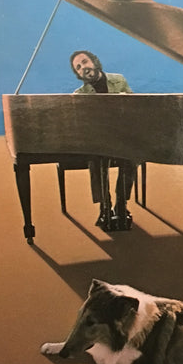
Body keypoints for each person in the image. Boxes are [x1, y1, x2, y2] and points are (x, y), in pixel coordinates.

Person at [69, 50, 135, 230]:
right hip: (97, 141)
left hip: (121, 137)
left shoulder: (118, 80)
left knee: (132, 155)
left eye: (85, 62)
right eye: (78, 67)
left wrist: (126, 101)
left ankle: (121, 205)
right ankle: (105, 207)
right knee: (96, 157)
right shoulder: (79, 94)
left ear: (94, 61)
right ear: (78, 74)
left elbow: (135, 108)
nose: (83, 68)